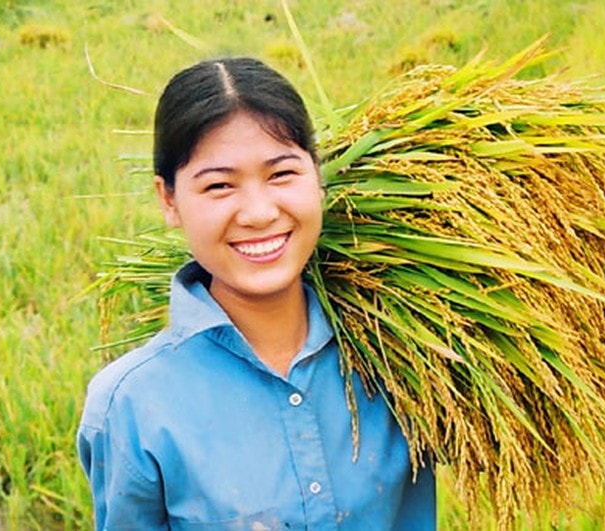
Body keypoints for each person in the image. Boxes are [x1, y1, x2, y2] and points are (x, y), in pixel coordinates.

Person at [77, 57, 436, 530]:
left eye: (282, 174)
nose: (259, 212)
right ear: (168, 200)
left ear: (318, 176)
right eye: (220, 185)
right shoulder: (131, 405)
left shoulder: (407, 352)